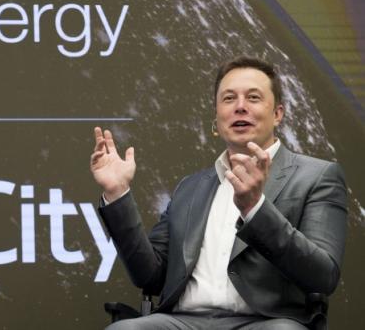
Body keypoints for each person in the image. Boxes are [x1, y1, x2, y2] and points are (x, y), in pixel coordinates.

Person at [91, 56, 347, 329]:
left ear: (278, 114)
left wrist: (255, 208)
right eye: (228, 98)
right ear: (216, 116)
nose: (240, 106)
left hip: (264, 322)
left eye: (253, 97)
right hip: (183, 322)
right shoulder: (191, 187)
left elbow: (323, 276)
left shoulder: (316, 176)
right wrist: (118, 193)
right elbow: (149, 276)